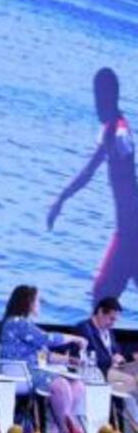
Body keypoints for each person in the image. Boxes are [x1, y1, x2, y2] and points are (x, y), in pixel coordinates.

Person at [48, 67, 138, 302]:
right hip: (130, 230)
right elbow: (88, 171)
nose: (95, 102)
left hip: (130, 232)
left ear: (109, 96)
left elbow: (127, 160)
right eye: (94, 95)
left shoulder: (119, 132)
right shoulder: (110, 130)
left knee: (101, 296)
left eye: (98, 96)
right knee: (104, 298)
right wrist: (61, 199)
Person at [0, 285, 88, 433]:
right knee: (60, 384)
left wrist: (69, 360)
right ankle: (66, 432)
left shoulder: (26, 325)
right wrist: (75, 338)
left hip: (35, 370)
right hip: (22, 374)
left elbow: (44, 355)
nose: (40, 304)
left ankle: (58, 429)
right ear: (28, 302)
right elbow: (46, 339)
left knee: (77, 385)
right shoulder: (16, 323)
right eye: (38, 300)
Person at [78, 296, 138, 433]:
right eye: (111, 319)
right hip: (98, 375)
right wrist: (112, 360)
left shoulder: (108, 331)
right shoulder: (84, 329)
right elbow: (88, 358)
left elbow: (116, 353)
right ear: (100, 312)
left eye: (115, 320)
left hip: (114, 373)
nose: (113, 323)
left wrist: (124, 359)